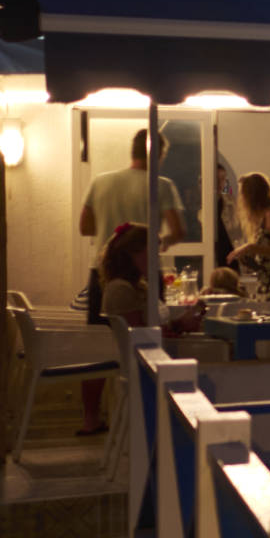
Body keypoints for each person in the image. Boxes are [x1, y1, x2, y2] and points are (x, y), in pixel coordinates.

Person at [79, 130, 185, 326]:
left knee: (100, 334)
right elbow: (178, 231)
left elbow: (85, 227)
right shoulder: (161, 186)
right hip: (142, 272)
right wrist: (160, 242)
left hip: (103, 270)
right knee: (149, 334)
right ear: (159, 156)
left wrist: (112, 229)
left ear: (132, 151)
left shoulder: (100, 181)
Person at [76, 221, 151, 434]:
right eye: (151, 251)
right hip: (140, 368)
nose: (156, 259)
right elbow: (141, 339)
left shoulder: (131, 286)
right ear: (133, 254)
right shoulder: (121, 290)